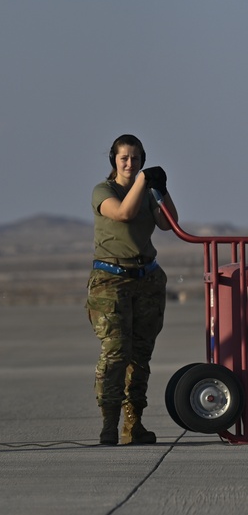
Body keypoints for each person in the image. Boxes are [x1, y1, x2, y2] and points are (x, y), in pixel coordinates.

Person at [87, 134, 177, 445]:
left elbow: (169, 223)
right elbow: (123, 212)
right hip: (111, 280)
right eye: (124, 157)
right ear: (114, 159)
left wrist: (161, 189)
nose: (130, 163)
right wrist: (141, 181)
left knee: (140, 355)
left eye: (136, 158)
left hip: (146, 278)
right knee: (116, 352)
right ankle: (109, 423)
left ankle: (133, 423)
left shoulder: (146, 193)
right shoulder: (104, 190)